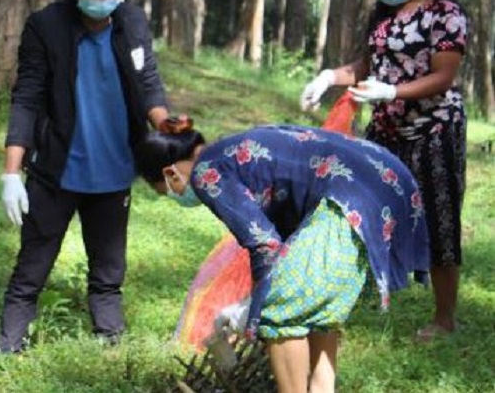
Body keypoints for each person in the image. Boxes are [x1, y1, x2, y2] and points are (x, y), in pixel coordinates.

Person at [135, 121, 429, 393]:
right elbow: (286, 235)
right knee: (315, 310)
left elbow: (264, 243)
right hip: (387, 176)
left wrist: (256, 309)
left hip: (352, 194)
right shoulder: (229, 149)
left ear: (170, 174)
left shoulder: (206, 172)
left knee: (281, 313)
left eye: (165, 193)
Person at [0, 0, 170, 353]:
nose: (104, 0)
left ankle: (111, 346)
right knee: (32, 267)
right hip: (57, 172)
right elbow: (27, 98)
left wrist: (171, 129)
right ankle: (8, 346)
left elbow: (149, 86)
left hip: (113, 172)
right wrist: (11, 172)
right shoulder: (46, 27)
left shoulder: (132, 22)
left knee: (109, 272)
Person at [300, 0, 468, 341]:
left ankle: (445, 318)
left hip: (434, 130)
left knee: (438, 218)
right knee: (363, 208)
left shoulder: (445, 14)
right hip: (386, 130)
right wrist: (330, 77)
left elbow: (444, 76)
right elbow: (368, 63)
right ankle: (356, 294)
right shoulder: (384, 14)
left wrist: (393, 90)